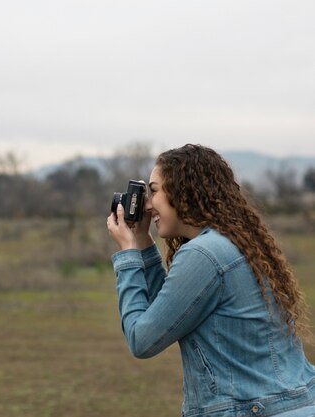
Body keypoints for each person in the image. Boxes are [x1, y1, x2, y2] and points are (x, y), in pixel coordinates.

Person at [106, 144, 315, 417]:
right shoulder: (236, 243)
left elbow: (142, 339)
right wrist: (144, 241)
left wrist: (129, 254)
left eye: (154, 191)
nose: (146, 204)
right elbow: (165, 315)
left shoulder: (203, 254)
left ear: (183, 191)